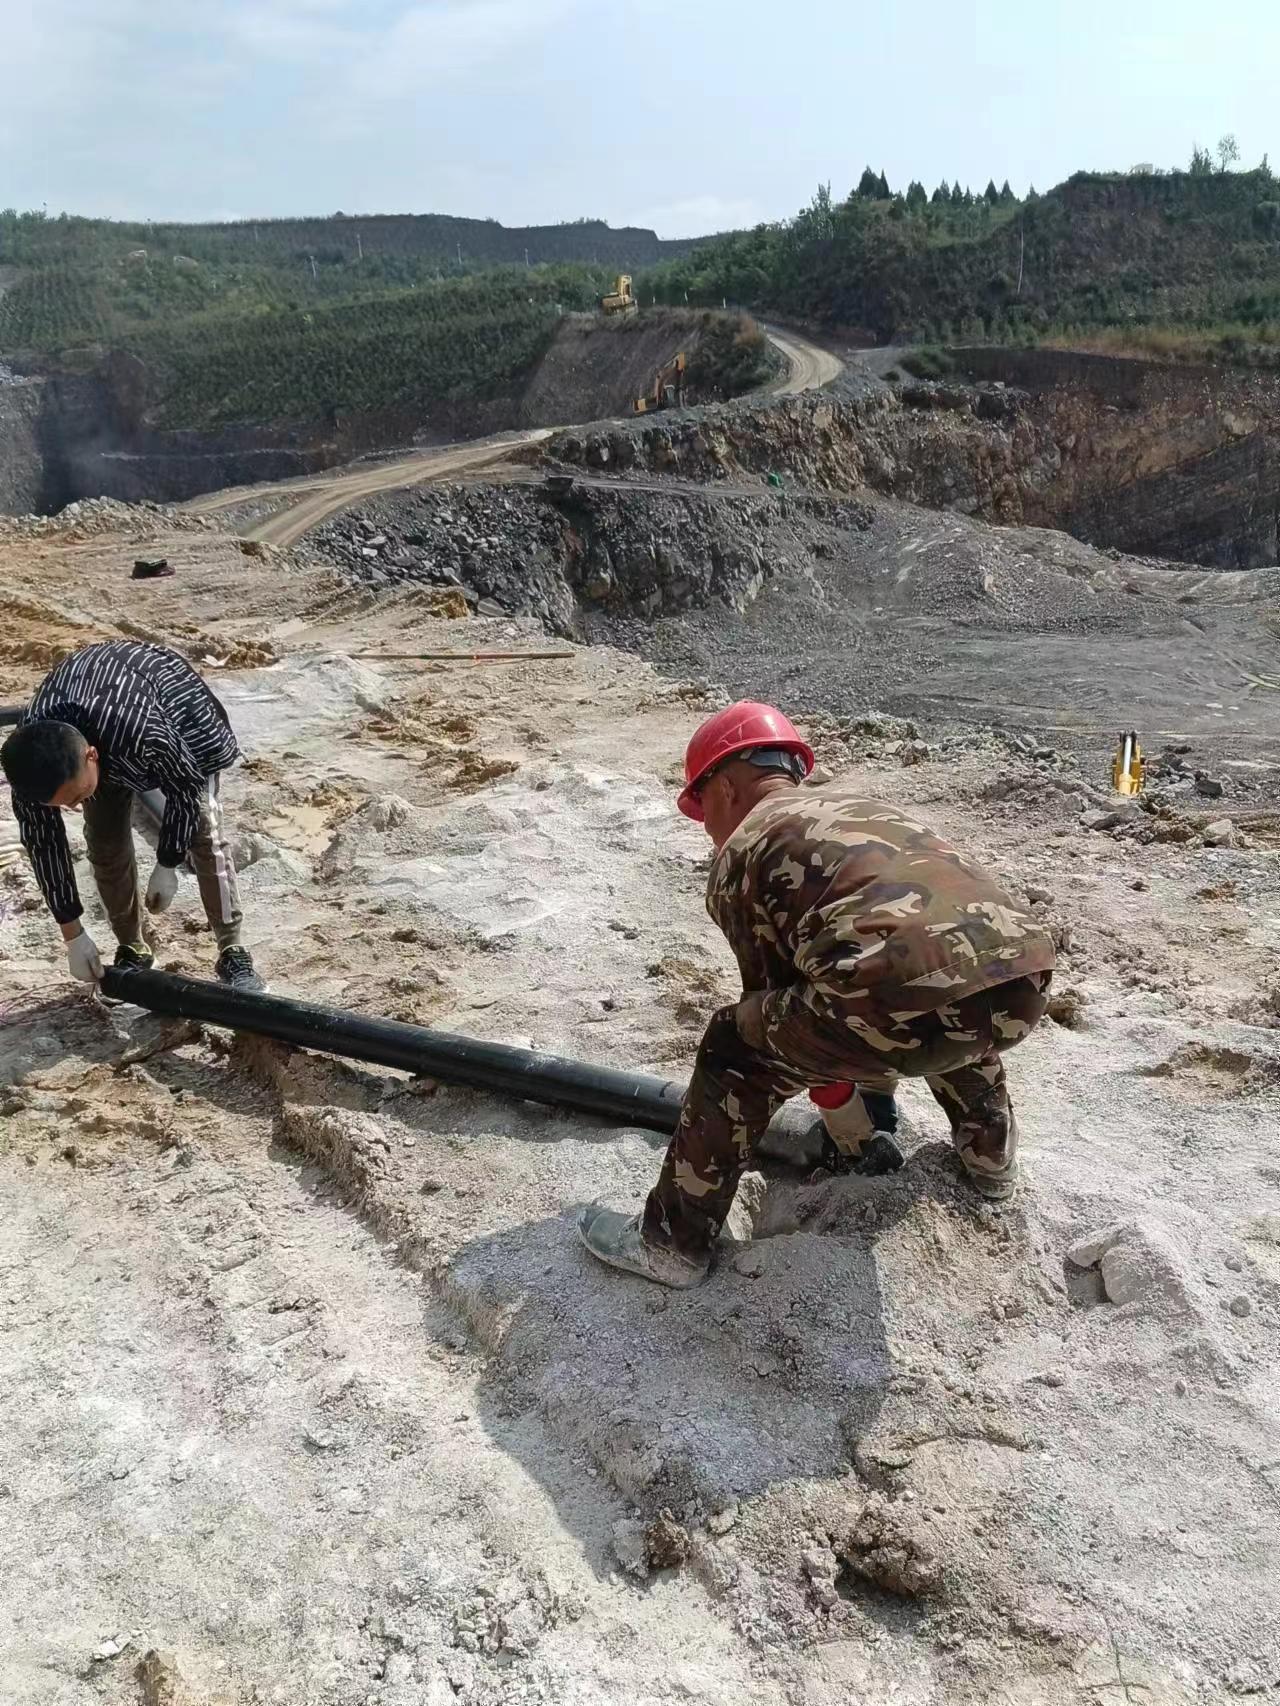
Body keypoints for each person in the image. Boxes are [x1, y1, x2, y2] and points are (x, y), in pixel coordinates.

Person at [579, 702, 1055, 1288]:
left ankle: (672, 1242)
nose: (706, 827)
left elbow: (782, 1021)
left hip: (890, 998)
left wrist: (846, 1121)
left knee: (735, 1045)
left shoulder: (746, 847)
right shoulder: (869, 808)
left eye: (702, 809)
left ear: (725, 786)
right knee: (949, 981)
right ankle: (990, 1161)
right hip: (1022, 982)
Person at [1, 640, 263, 992]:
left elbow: (184, 787)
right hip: (98, 728)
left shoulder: (140, 733)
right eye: (63, 805)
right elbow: (44, 847)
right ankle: (133, 947)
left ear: (91, 756)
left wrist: (168, 862)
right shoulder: (31, 765)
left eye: (77, 796)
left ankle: (232, 949)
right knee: (104, 841)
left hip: (178, 714)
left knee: (202, 829)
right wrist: (72, 934)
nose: (74, 807)